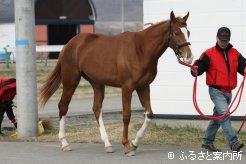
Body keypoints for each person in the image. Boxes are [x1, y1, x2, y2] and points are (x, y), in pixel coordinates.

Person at [191, 27, 245, 152]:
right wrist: (195, 70)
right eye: (221, 40)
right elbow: (200, 65)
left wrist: (245, 68)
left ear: (229, 40)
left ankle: (207, 142)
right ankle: (233, 142)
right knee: (225, 115)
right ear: (217, 38)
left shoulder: (235, 53)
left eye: (226, 40)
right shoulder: (209, 54)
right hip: (216, 91)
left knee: (218, 118)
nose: (223, 42)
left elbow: (243, 64)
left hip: (229, 92)